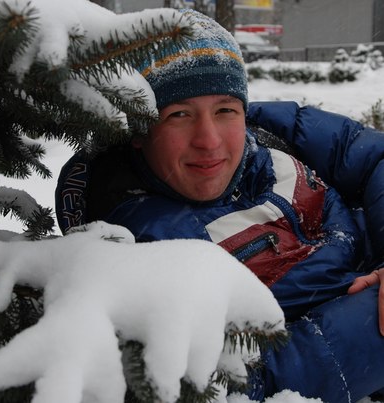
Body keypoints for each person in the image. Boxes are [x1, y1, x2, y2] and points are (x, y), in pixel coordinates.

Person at [55, 9, 384, 403]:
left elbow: (373, 157)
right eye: (179, 114)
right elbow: (233, 386)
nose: (209, 140)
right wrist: (372, 324)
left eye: (225, 109)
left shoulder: (275, 131)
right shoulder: (134, 249)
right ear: (139, 132)